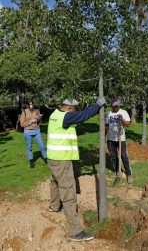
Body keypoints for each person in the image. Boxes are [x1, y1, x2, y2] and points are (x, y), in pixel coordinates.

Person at [47, 97, 106, 242]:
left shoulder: (54, 115)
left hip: (52, 157)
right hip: (62, 159)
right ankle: (75, 231)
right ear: (68, 108)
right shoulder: (66, 117)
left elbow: (77, 119)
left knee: (54, 181)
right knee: (68, 192)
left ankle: (54, 206)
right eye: (74, 110)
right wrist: (97, 105)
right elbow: (83, 116)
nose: (76, 112)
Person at [105, 98, 133, 183]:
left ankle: (129, 174)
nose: (116, 108)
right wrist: (104, 137)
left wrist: (121, 119)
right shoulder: (108, 114)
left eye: (117, 106)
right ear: (111, 106)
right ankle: (118, 171)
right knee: (113, 156)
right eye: (114, 106)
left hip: (121, 138)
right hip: (111, 138)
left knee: (123, 156)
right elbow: (106, 126)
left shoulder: (123, 112)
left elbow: (128, 124)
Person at [20, 99, 47, 168]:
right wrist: (31, 121)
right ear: (27, 105)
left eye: (32, 104)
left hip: (37, 130)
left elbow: (40, 121)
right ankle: (31, 161)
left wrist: (39, 118)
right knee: (29, 147)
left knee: (42, 146)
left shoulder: (37, 111)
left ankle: (46, 159)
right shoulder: (24, 112)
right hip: (27, 131)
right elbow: (22, 124)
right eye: (30, 104)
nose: (31, 106)